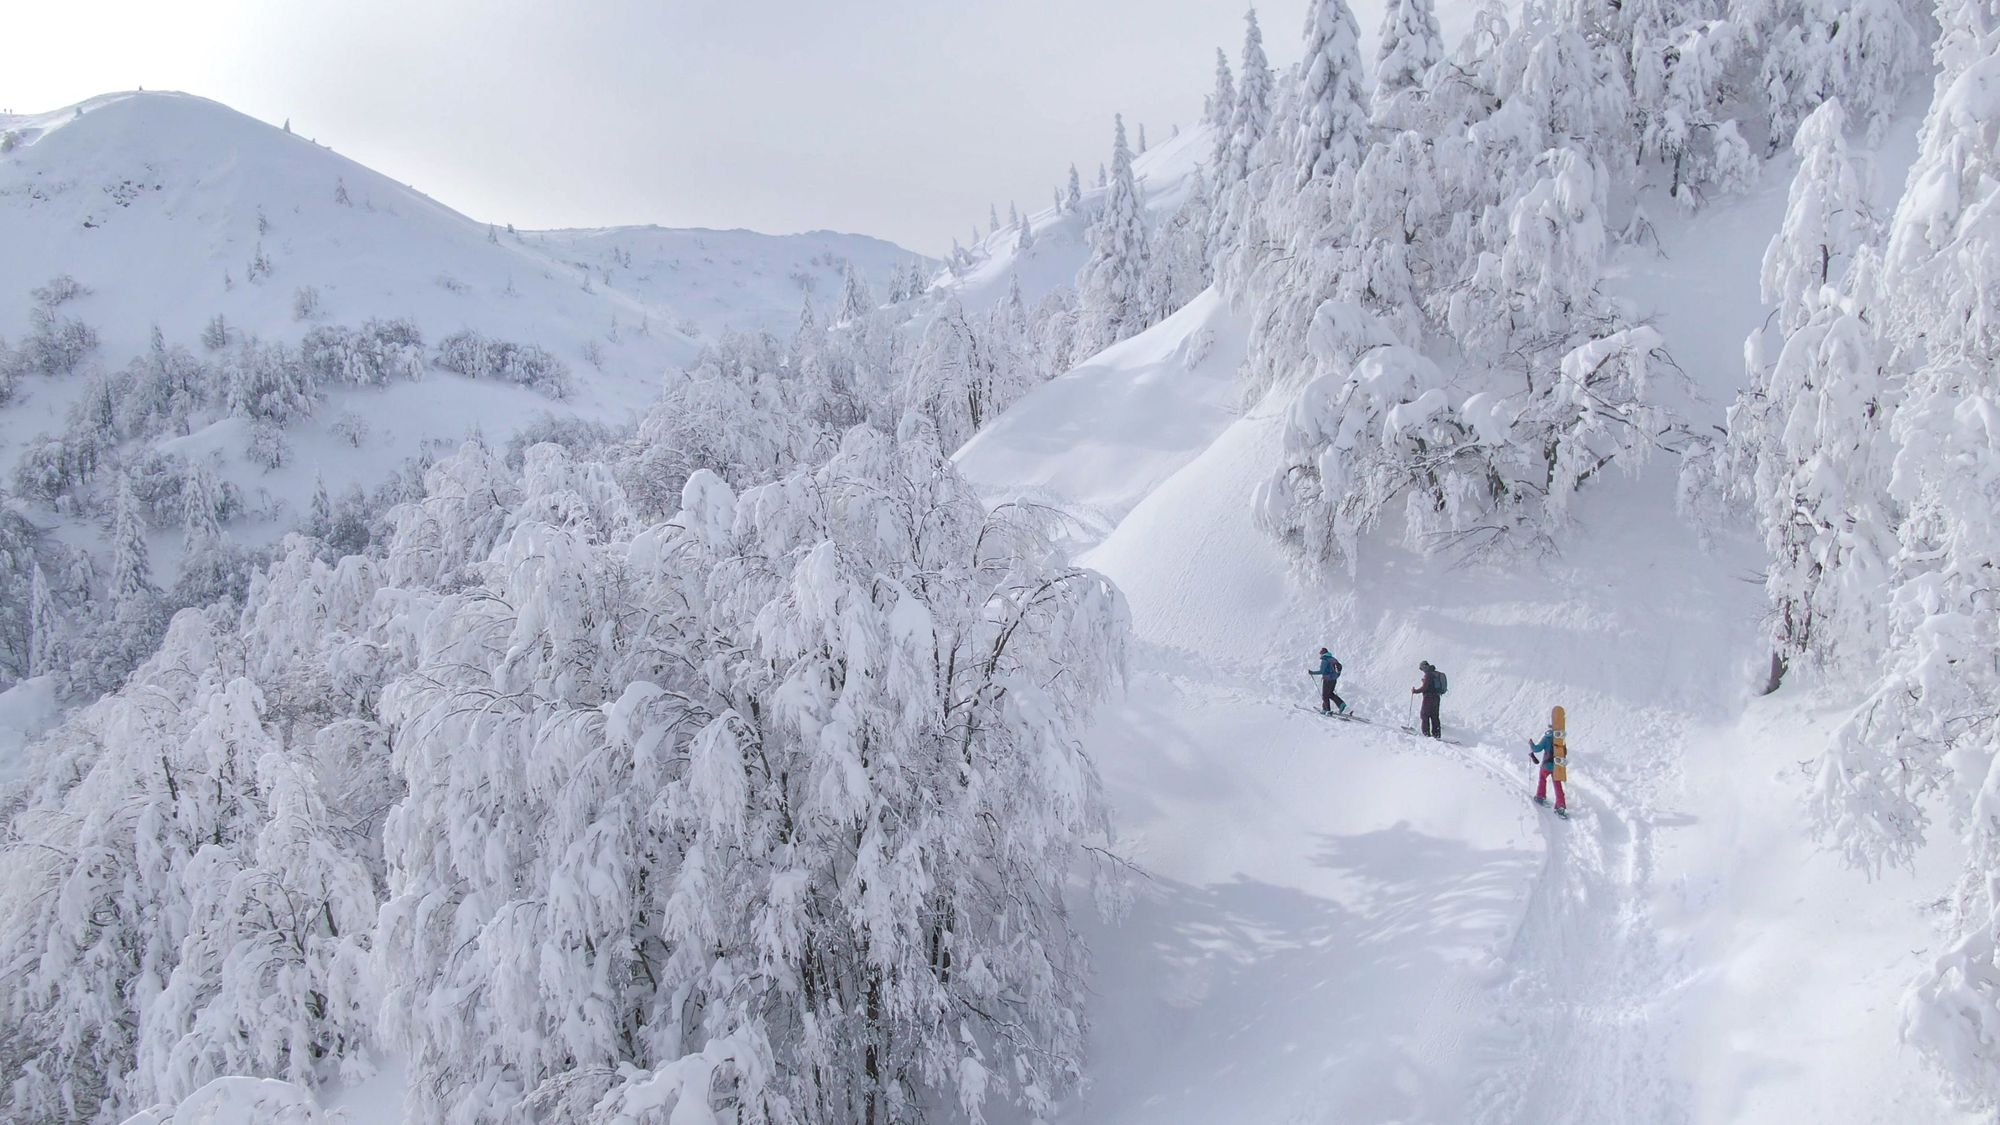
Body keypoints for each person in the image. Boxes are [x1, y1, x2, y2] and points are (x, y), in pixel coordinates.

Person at [1528, 719, 1566, 813]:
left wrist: (1531, 743)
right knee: (1558, 785)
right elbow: (1564, 752)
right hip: (1557, 766)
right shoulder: (1560, 739)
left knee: (1542, 780)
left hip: (1546, 765)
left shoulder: (1547, 738)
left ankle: (1540, 797)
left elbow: (1536, 749)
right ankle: (1560, 806)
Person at [1307, 648, 1347, 714]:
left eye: (1320, 653)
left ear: (1323, 653)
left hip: (1327, 680)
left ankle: (1327, 710)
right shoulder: (1333, 659)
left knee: (1325, 695)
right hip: (1334, 679)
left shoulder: (1325, 660)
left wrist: (1312, 672)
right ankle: (1341, 704)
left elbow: (1322, 671)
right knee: (1330, 694)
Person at [1411, 660, 1443, 739]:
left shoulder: (1428, 675)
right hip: (1437, 698)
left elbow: (1424, 687)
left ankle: (1426, 733)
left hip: (1428, 698)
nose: (1422, 671)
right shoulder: (1435, 673)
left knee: (1424, 715)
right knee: (1434, 716)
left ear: (1424, 667)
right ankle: (1437, 734)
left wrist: (1415, 691)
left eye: (1421, 669)